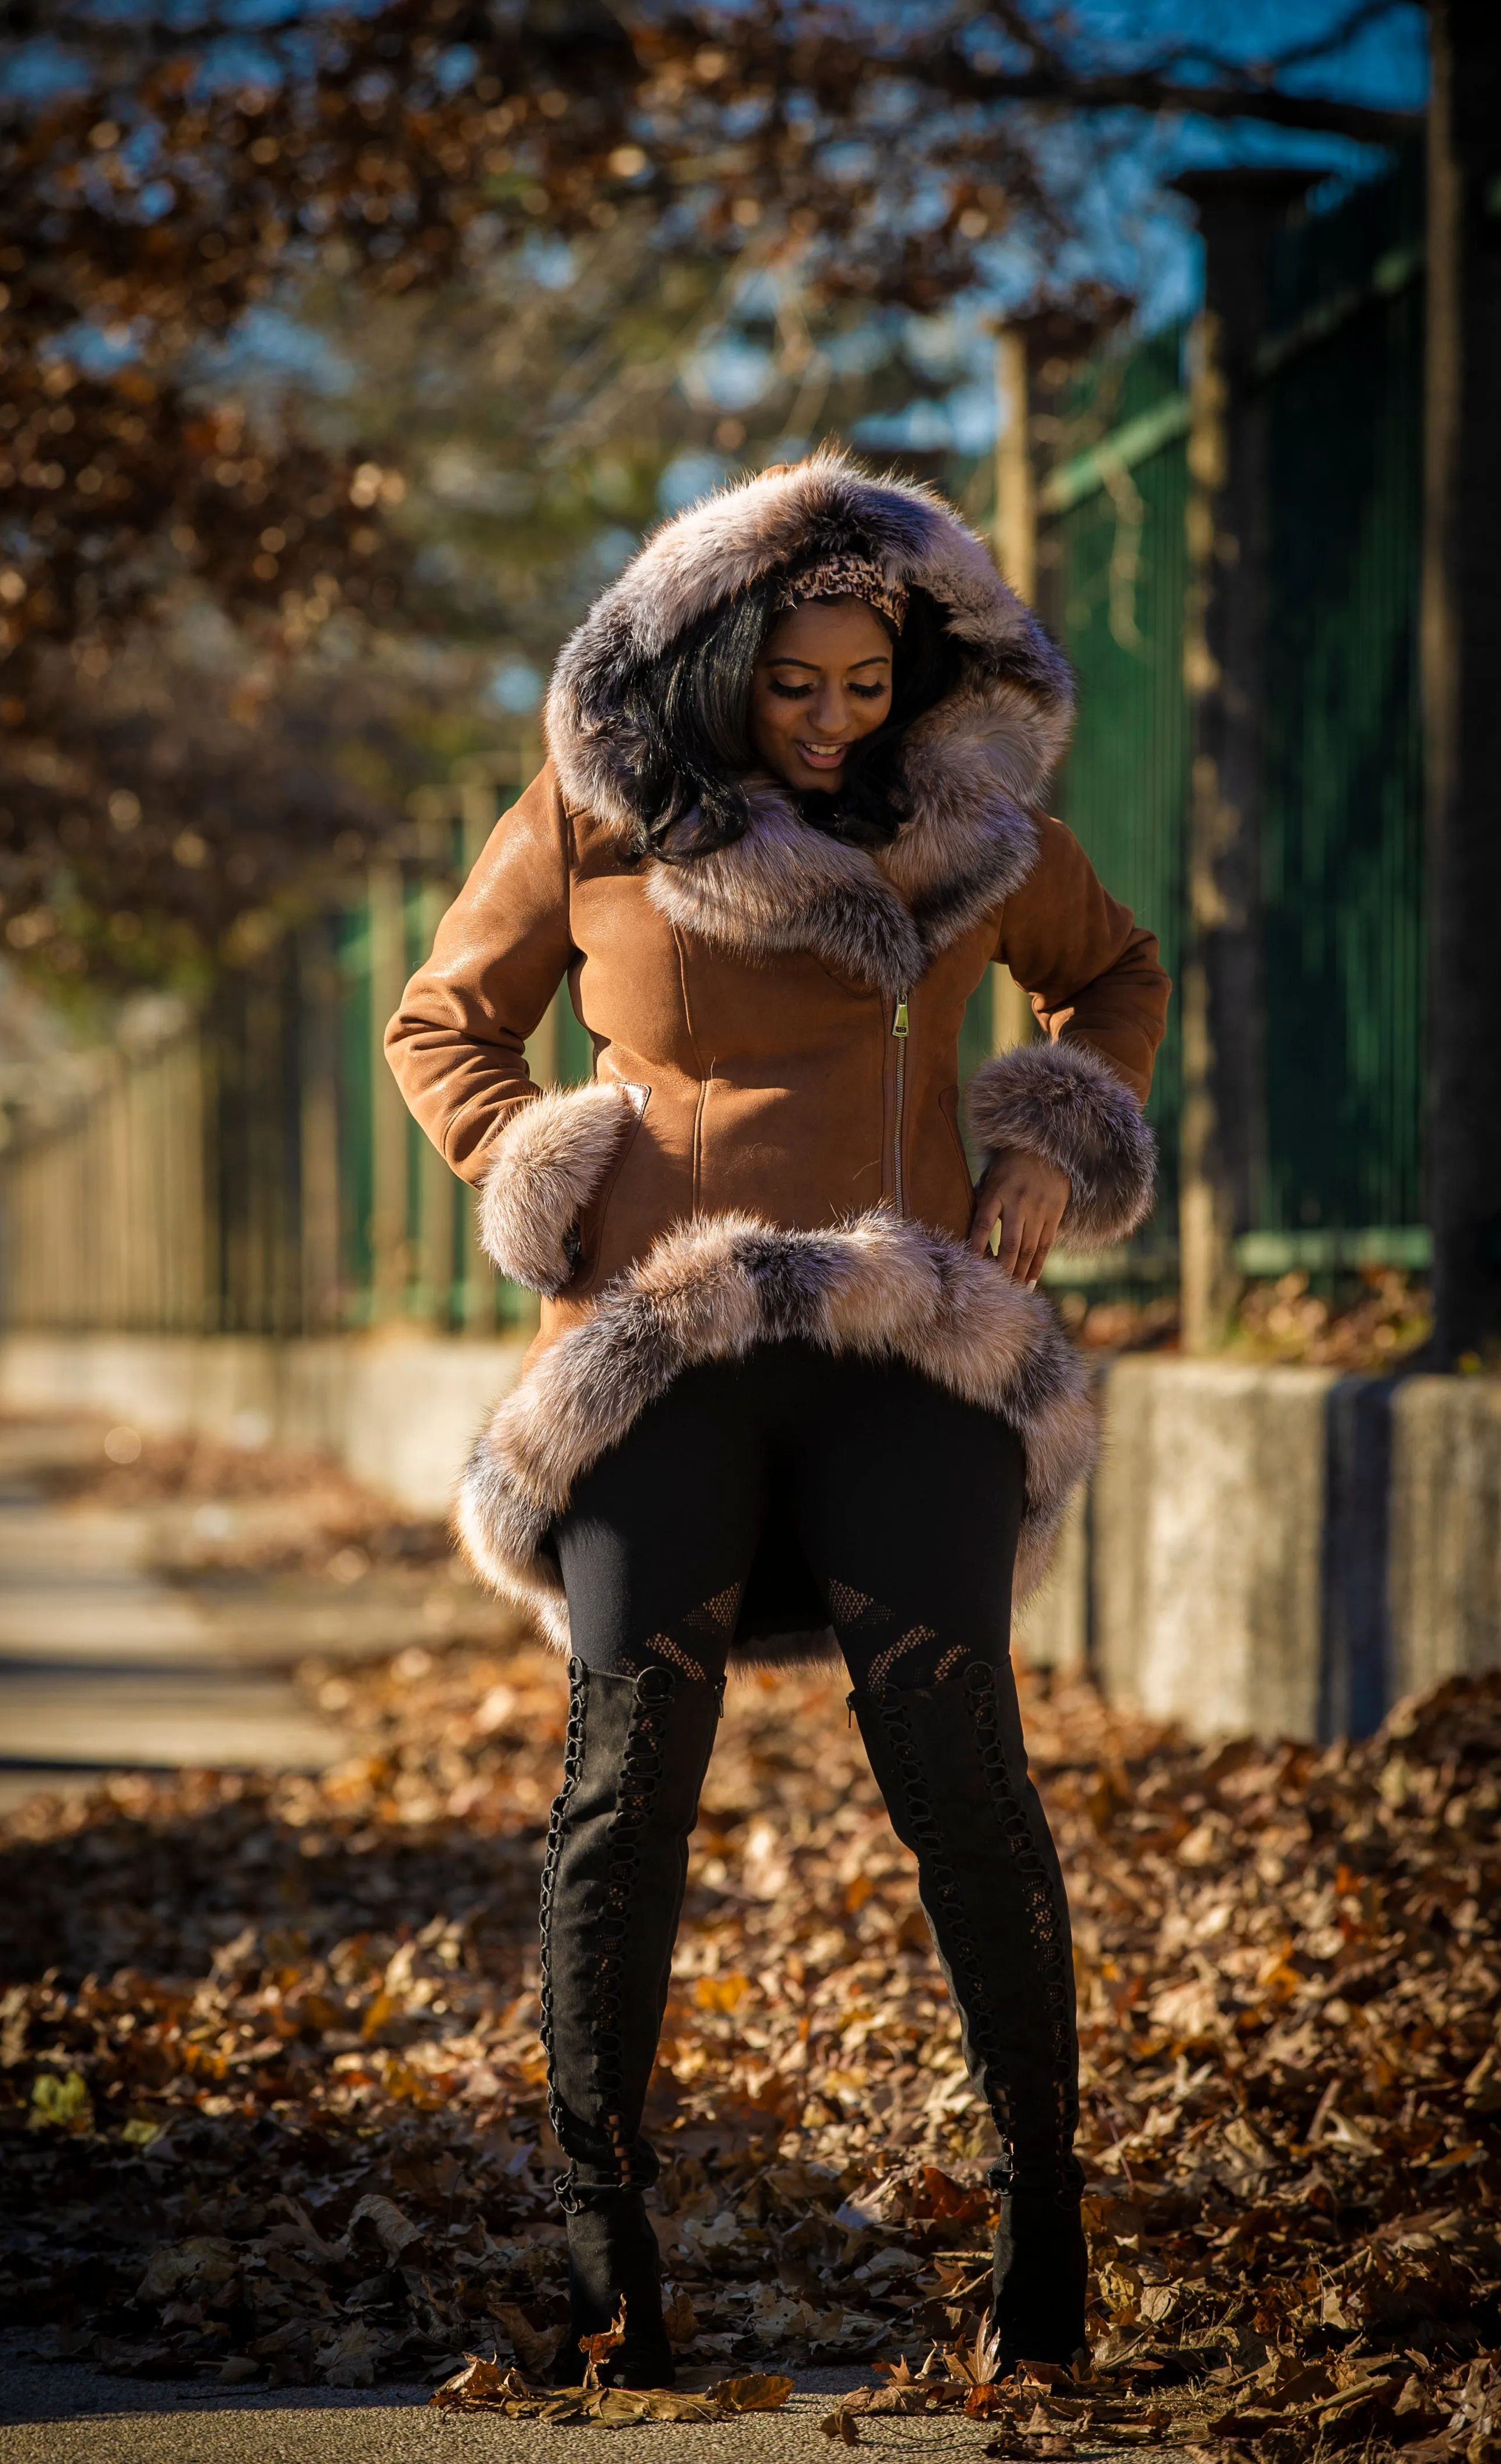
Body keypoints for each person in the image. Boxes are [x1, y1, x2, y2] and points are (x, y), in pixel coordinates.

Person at [385, 452, 1169, 2386]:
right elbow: (439, 1019)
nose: (830, 721)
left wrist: (1056, 1144)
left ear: (912, 673)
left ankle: (1041, 2219)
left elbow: (1118, 977)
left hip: (914, 1349)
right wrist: (533, 1157)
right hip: (660, 1355)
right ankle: (606, 2243)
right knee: (629, 1768)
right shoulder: (596, 806)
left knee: (960, 1764)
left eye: (863, 683)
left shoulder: (976, 826)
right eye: (793, 682)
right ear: (724, 659)